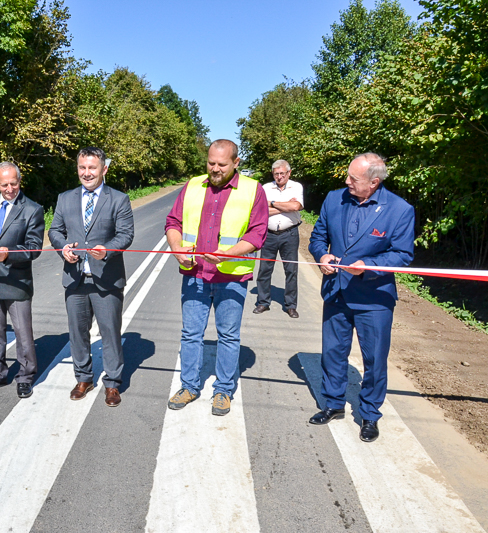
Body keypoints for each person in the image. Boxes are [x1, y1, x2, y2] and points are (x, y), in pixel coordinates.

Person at [308, 153, 414, 443]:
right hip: (336, 292)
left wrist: (368, 266)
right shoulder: (334, 199)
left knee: (374, 359)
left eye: (353, 179)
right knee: (332, 352)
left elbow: (402, 255)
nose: (347, 182)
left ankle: (369, 414)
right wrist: (322, 254)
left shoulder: (399, 210)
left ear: (374, 182)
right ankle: (332, 403)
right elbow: (317, 237)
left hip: (374, 299)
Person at [164, 139, 268, 415]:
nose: (215, 169)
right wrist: (177, 249)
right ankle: (189, 386)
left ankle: (223, 390)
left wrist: (229, 254)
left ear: (236, 163)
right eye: (211, 163)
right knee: (190, 334)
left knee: (229, 336)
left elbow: (257, 233)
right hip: (195, 274)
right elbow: (173, 222)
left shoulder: (252, 190)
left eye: (222, 164)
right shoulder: (192, 186)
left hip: (231, 278)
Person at [48, 147, 134, 407]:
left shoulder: (119, 199)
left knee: (109, 333)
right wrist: (63, 248)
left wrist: (107, 250)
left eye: (92, 168)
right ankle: (84, 378)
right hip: (75, 278)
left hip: (106, 278)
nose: (86, 173)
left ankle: (112, 383)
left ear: (104, 169)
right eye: (82, 168)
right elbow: (55, 231)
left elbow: (126, 235)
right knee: (77, 332)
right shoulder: (65, 198)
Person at [0, 162, 45, 399]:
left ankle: (25, 376)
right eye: (5, 184)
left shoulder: (33, 209)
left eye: (14, 183)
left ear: (20, 181)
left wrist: (9, 254)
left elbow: (34, 249)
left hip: (17, 280)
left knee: (23, 332)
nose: (10, 189)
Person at [254, 159, 304, 318]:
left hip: (289, 234)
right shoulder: (265, 188)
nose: (280, 177)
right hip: (268, 234)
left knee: (291, 270)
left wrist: (272, 203)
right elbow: (261, 211)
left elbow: (296, 207)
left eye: (283, 173)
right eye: (277, 174)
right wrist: (285, 206)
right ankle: (263, 302)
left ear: (289, 173)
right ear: (273, 174)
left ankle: (290, 306)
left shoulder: (296, 186)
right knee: (264, 270)